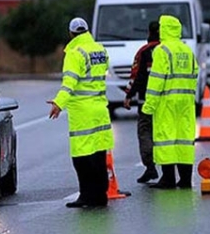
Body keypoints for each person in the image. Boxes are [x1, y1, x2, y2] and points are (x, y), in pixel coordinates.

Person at [47, 17, 114, 208]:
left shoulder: (75, 53)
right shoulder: (100, 49)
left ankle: (87, 196)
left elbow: (69, 83)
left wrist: (58, 103)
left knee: (82, 157)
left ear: (71, 33)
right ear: (87, 30)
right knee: (99, 154)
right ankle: (101, 196)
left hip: (82, 112)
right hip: (100, 108)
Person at [141, 15, 198, 189]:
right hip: (186, 102)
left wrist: (148, 105)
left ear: (164, 29)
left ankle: (168, 178)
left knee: (166, 138)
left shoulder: (162, 50)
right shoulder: (186, 50)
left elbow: (156, 80)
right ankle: (186, 179)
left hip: (166, 102)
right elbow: (195, 73)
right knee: (184, 139)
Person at [123, 21, 160, 184]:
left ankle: (150, 167)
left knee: (145, 133)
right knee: (165, 134)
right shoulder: (169, 50)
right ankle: (169, 171)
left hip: (146, 101)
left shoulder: (143, 52)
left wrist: (128, 95)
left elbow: (136, 76)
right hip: (167, 102)